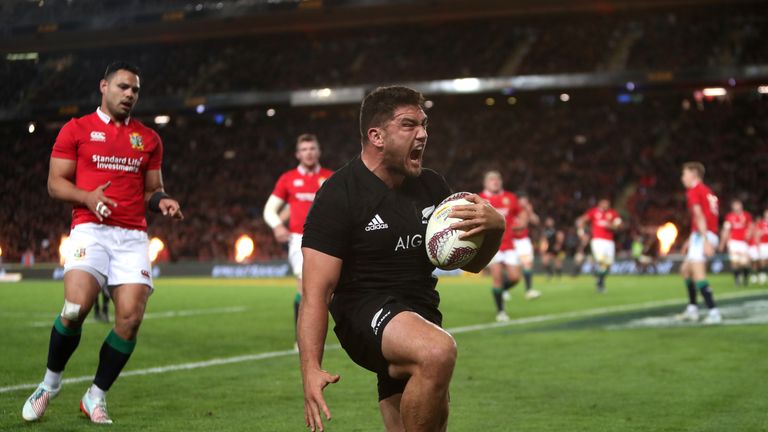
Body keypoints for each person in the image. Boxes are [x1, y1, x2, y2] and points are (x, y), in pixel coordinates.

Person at [298, 86, 504, 432]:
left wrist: (495, 229)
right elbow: (316, 292)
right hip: (364, 312)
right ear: (376, 136)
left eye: (424, 124)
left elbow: (472, 263)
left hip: (419, 313)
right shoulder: (338, 195)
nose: (423, 134)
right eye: (409, 124)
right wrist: (310, 369)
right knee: (438, 352)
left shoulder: (432, 187)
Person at [22, 61, 183, 424]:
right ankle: (50, 384)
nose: (130, 94)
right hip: (90, 228)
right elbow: (55, 184)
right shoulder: (76, 129)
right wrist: (87, 196)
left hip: (132, 237)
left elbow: (152, 191)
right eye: (123, 87)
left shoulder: (149, 138)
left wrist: (164, 201)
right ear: (104, 86)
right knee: (76, 308)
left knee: (130, 318)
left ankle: (95, 395)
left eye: (135, 90)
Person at [263, 134, 333, 344]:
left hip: (327, 239)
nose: (308, 153)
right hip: (300, 239)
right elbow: (269, 210)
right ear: (297, 154)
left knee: (329, 291)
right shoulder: (288, 179)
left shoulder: (330, 177)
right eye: (304, 149)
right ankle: (302, 339)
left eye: (312, 148)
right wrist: (276, 226)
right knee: (304, 287)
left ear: (318, 152)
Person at [676, 162, 721, 324]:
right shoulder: (708, 191)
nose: (682, 178)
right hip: (703, 234)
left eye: (684, 174)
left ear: (693, 175)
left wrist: (704, 240)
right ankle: (692, 309)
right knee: (685, 270)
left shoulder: (694, 191)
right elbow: (702, 218)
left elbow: (699, 216)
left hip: (704, 236)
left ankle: (714, 312)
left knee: (698, 273)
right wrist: (689, 241)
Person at [479, 170, 522, 322]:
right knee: (496, 277)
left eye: (497, 179)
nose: (495, 181)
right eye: (491, 179)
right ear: (485, 183)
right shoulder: (480, 199)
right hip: (492, 245)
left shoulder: (510, 197)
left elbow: (520, 212)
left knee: (515, 278)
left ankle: (501, 291)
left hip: (509, 244)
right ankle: (501, 311)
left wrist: (522, 222)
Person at [575, 198, 621, 292]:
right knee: (602, 261)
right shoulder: (594, 212)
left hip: (609, 242)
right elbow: (580, 221)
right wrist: (581, 233)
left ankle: (598, 276)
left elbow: (619, 226)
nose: (606, 205)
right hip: (598, 241)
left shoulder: (613, 213)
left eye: (607, 204)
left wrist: (611, 226)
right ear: (600, 204)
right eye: (604, 203)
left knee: (608, 266)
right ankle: (600, 284)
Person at [512, 195, 541, 299]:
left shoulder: (526, 211)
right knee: (512, 268)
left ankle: (528, 290)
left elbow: (536, 221)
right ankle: (504, 289)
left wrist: (530, 212)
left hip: (523, 241)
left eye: (526, 201)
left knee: (527, 264)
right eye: (523, 200)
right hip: (512, 241)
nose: (525, 202)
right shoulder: (512, 209)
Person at [719, 199, 753, 286]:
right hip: (733, 242)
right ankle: (737, 280)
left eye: (738, 206)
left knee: (745, 263)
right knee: (735, 262)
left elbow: (750, 227)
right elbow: (726, 229)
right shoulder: (729, 216)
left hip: (743, 242)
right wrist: (723, 243)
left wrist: (749, 235)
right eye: (735, 206)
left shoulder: (747, 215)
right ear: (733, 207)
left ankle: (745, 278)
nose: (737, 208)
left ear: (741, 206)